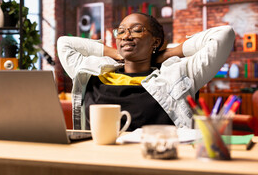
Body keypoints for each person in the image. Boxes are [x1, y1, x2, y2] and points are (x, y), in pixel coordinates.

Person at [57, 12, 235, 131]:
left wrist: (171, 52)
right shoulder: (94, 74)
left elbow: (224, 35)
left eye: (136, 30)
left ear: (155, 42)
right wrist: (115, 53)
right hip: (97, 161)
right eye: (121, 32)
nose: (126, 36)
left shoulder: (178, 74)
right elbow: (65, 43)